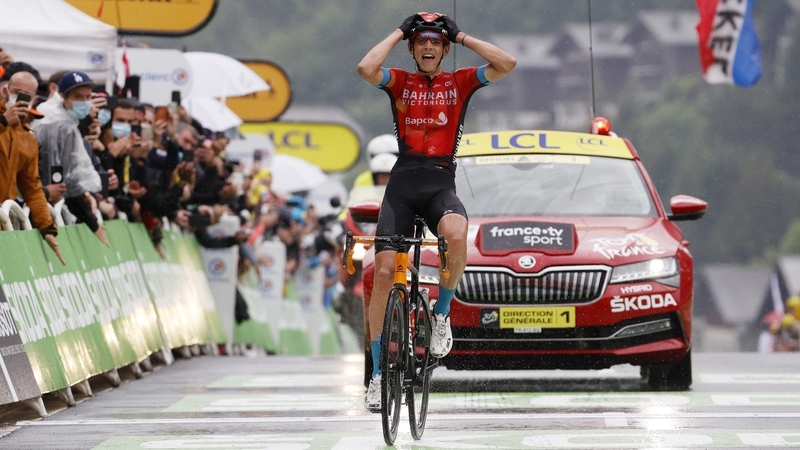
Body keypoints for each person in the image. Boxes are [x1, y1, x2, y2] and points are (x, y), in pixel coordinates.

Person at [356, 12, 515, 410]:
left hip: (441, 181)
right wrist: (398, 31)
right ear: (412, 48)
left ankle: (441, 316)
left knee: (457, 234)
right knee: (385, 273)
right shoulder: (399, 82)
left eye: (436, 42)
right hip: (403, 183)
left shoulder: (459, 82)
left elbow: (506, 63)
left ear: (444, 49)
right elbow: (365, 67)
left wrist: (460, 35)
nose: (428, 47)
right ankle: (377, 377)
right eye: (421, 41)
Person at [35, 71, 109, 246]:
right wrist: (90, 220)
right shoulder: (61, 126)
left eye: (87, 96)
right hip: (41, 204)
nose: (84, 102)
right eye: (77, 96)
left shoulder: (61, 119)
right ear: (62, 96)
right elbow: (66, 182)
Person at [0, 71, 64, 264]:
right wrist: (3, 123)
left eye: (25, 96)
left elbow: (32, 187)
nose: (20, 100)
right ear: (5, 91)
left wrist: (47, 228)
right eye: (16, 93)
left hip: (4, 224)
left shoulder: (28, 139)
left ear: (34, 100)